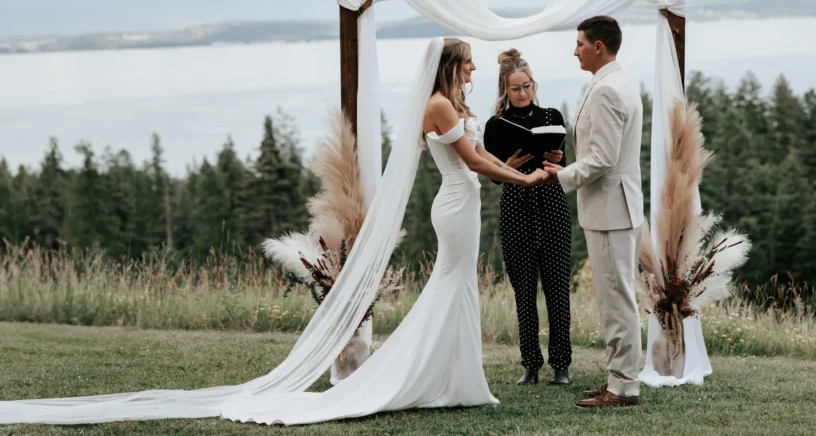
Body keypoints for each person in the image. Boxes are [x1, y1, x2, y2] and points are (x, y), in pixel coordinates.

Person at [0, 37, 548, 426]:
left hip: (465, 202)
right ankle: (440, 379)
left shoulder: (452, 103)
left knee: (458, 286)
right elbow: (471, 161)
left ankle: (456, 378)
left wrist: (511, 165)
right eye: (469, 64)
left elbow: (481, 156)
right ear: (450, 66)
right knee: (451, 285)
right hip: (455, 204)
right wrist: (522, 179)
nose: (474, 70)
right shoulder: (437, 104)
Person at [542, 16, 645, 409]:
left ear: (598, 46)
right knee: (615, 297)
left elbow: (602, 159)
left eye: (580, 43)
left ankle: (623, 387)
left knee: (616, 300)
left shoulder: (607, 90)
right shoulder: (619, 82)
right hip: (615, 208)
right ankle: (619, 378)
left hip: (611, 211)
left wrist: (561, 176)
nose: (575, 51)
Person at [483, 48, 572, 386]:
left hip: (551, 203)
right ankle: (531, 365)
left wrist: (558, 158)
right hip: (516, 205)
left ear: (534, 84)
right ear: (504, 89)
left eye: (527, 86)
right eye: (515, 88)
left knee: (557, 287)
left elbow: (566, 166)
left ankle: (561, 365)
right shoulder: (495, 125)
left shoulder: (552, 115)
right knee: (523, 289)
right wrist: (508, 166)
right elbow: (493, 175)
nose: (522, 93)